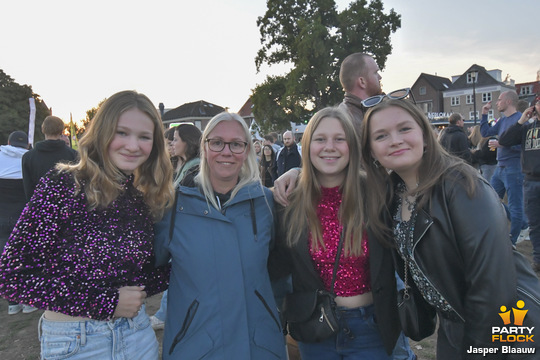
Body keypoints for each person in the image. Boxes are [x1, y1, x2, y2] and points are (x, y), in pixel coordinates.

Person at [0, 90, 174, 359]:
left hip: (137, 337)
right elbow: (13, 276)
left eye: (144, 137)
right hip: (77, 341)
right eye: (122, 132)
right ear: (102, 132)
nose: (132, 145)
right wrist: (105, 303)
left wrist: (191, 264)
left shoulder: (138, 197)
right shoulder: (62, 185)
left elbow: (131, 280)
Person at [361, 99, 517, 359]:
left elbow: (493, 289)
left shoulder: (462, 186)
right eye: (381, 135)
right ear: (372, 150)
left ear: (425, 134)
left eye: (404, 129)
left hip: (498, 331)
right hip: (452, 327)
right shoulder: (391, 197)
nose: (395, 140)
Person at [153, 112, 287, 359]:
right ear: (204, 148)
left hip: (259, 346)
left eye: (236, 144)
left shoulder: (267, 204)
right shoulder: (173, 206)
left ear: (247, 150)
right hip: (196, 347)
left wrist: (299, 172)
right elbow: (147, 268)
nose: (227, 151)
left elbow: (281, 271)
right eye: (217, 142)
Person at [269, 107, 400, 359]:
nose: (330, 147)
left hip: (371, 329)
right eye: (320, 139)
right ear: (306, 146)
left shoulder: (377, 193)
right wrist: (296, 172)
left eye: (339, 139)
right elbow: (275, 264)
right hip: (315, 328)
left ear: (352, 145)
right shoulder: (288, 201)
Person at [149, 123, 202, 331]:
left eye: (176, 139)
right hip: (175, 230)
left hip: (185, 232)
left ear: (188, 143)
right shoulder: (178, 166)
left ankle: (165, 314)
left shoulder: (196, 170)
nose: (172, 143)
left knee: (178, 274)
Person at [499, 95, 540, 271]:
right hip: (530, 181)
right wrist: (521, 121)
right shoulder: (527, 128)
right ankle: (538, 260)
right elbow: (504, 140)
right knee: (535, 224)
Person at [480, 90, 525, 244]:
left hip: (514, 168)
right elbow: (485, 132)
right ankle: (523, 225)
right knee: (490, 197)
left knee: (515, 205)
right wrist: (484, 115)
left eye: (499, 100)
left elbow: (524, 146)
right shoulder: (501, 121)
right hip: (500, 168)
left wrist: (502, 143)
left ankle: (512, 242)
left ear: (508, 102)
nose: (496, 102)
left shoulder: (521, 120)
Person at [0, 131, 33, 315]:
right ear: (27, 145)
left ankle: (12, 302)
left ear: (8, 141)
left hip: (2, 217)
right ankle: (28, 301)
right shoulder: (29, 158)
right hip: (22, 215)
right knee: (25, 257)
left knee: (6, 259)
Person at [22, 115, 78, 201]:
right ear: (61, 131)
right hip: (67, 207)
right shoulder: (73, 155)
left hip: (39, 207)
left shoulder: (28, 157)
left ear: (43, 129)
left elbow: (28, 189)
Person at [338, 52, 382, 128]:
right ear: (362, 82)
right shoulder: (354, 123)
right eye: (375, 73)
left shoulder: (348, 113)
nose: (380, 77)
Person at [170, 124, 202, 188]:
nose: (172, 143)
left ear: (187, 141)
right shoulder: (189, 164)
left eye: (175, 139)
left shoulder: (195, 169)